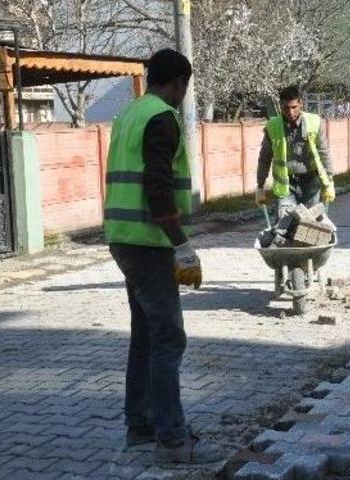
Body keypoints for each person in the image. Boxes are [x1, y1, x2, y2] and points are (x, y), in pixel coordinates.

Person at [103, 48, 221, 465]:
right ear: (179, 84)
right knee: (169, 338)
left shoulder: (129, 114)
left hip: (122, 237)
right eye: (184, 89)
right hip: (149, 243)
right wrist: (181, 245)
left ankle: (140, 425)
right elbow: (157, 188)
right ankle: (171, 441)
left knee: (146, 336)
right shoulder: (161, 118)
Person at [255, 85, 336, 215]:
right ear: (281, 106)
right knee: (284, 227)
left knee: (311, 225)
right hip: (286, 185)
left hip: (311, 182)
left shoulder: (314, 122)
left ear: (301, 105)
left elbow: (323, 152)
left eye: (294, 107)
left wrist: (329, 182)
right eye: (286, 108)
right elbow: (264, 158)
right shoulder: (272, 126)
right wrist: (260, 186)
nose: (291, 112)